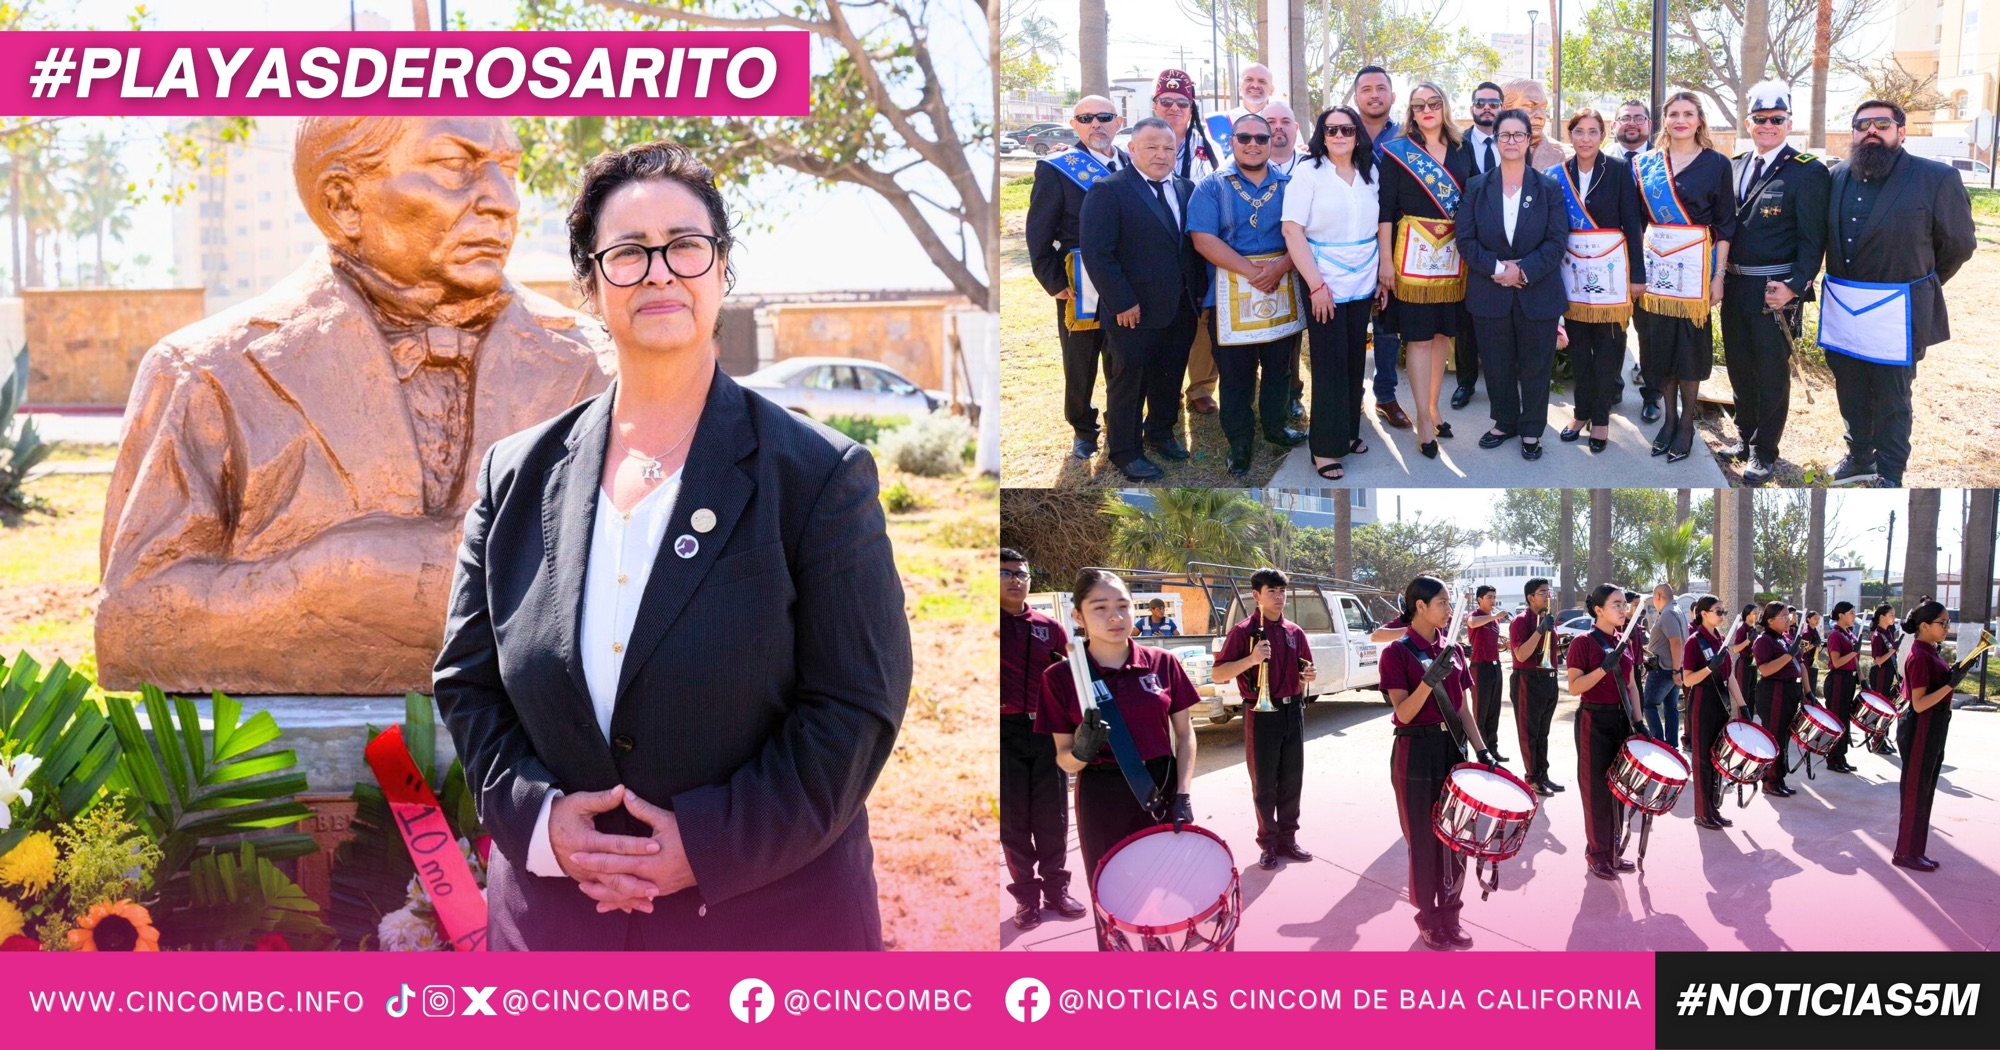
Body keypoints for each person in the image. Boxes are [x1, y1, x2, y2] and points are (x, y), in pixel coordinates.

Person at [433, 141, 911, 950]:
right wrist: (541, 822)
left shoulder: (817, 476)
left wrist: (712, 843)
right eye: (627, 253)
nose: (659, 273)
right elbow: (468, 683)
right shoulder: (512, 475)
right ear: (591, 284)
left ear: (722, 268)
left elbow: (856, 704)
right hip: (555, 934)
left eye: (685, 246)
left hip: (767, 933)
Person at [100, 116, 613, 695]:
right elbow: (131, 623)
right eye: (454, 165)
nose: (503, 200)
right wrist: (328, 583)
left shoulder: (601, 366)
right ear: (343, 202)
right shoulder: (204, 373)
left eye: (509, 170)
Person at [1820, 100, 1977, 487]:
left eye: (1882, 123)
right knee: (1850, 386)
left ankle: (1890, 473)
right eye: (1863, 125)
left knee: (1892, 396)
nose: (1872, 130)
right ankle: (1859, 457)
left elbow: (1958, 245)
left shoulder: (1935, 177)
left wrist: (1922, 284)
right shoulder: (1835, 176)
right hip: (1844, 305)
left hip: (1898, 309)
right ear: (1854, 132)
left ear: (1901, 132)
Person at [1039, 569, 1200, 939]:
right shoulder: (1060, 677)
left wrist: (1183, 794)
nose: (1114, 616)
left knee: (1169, 893)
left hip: (1161, 788)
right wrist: (1082, 751)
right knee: (1113, 898)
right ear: (1078, 616)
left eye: (1123, 606)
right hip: (1102, 795)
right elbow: (1063, 757)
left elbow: (1185, 735)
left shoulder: (1162, 663)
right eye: (1100, 608)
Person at [1379, 575, 1504, 951]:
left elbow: (1462, 708)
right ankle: (1429, 918)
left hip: (1453, 750)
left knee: (1456, 837)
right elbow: (1403, 713)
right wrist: (1427, 682)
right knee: (1423, 840)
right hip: (1415, 752)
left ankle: (1452, 914)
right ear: (1420, 606)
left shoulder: (1454, 650)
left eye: (1450, 603)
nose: (1450, 610)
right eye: (1443, 603)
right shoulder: (1397, 653)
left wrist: (1482, 751)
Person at [1080, 118, 1206, 482]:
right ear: (1132, 149)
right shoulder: (1108, 190)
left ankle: (1161, 431)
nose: (1161, 155)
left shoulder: (1186, 188)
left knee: (1170, 374)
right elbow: (1097, 253)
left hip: (1180, 306)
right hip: (1132, 310)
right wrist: (1121, 301)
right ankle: (1126, 450)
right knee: (1129, 381)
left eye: (1168, 148)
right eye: (1151, 147)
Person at [1719, 81, 1830, 486]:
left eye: (1776, 119)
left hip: (1775, 290)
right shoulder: (1734, 166)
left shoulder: (1807, 170)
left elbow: (1813, 239)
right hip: (1735, 286)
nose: (1768, 126)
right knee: (1738, 367)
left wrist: (1795, 286)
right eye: (1760, 119)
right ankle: (1745, 437)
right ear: (1748, 122)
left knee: (1769, 373)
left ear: (1789, 123)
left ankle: (1764, 451)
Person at [1190, 114, 1307, 476]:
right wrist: (1255, 272)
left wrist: (1280, 266)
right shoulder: (1211, 187)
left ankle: (1276, 426)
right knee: (1236, 374)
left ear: (1272, 142)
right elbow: (1202, 239)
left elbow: (1307, 233)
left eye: (1261, 138)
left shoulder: (1291, 185)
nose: (1253, 144)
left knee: (1279, 368)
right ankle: (1240, 442)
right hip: (1229, 293)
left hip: (1281, 287)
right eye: (1244, 137)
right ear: (1233, 141)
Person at [1457, 107, 1569, 459]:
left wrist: (1522, 271)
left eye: (1518, 135)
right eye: (1504, 135)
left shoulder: (1548, 188)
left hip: (1538, 292)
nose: (1511, 141)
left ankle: (1532, 429)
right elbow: (1465, 239)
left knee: (1536, 366)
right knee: (1496, 363)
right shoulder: (1477, 186)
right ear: (1495, 139)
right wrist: (1497, 268)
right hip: (1490, 292)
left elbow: (1557, 240)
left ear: (1527, 140)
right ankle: (1504, 421)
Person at [1026, 96, 1128, 462]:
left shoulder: (1131, 162)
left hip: (1125, 276)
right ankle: (1084, 429)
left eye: (1104, 116)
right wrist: (1053, 280)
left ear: (1118, 121)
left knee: (1123, 356)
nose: (1095, 124)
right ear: (1074, 125)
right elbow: (1038, 232)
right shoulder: (1057, 168)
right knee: (1080, 361)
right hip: (1079, 281)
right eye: (1086, 118)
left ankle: (1122, 424)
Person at [1635, 92, 1736, 462]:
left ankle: (1687, 423)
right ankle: (1669, 419)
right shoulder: (1646, 164)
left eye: (1688, 114)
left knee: (1689, 349)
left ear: (1699, 120)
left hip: (1696, 270)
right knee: (1660, 346)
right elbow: (1637, 221)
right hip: (1656, 268)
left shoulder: (1716, 163)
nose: (1680, 120)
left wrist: (1718, 276)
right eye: (1673, 113)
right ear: (1664, 120)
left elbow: (1725, 224)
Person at [1283, 105, 1382, 481]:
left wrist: (1381, 277)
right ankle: (1324, 447)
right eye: (1331, 130)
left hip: (1363, 277)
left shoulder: (1370, 172)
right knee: (1329, 363)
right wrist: (1316, 286)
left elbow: (1377, 225)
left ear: (1358, 134)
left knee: (1355, 360)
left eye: (1347, 129)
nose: (1339, 136)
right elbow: (1292, 230)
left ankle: (1348, 432)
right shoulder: (1308, 172)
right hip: (1323, 278)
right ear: (1321, 136)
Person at [1377, 82, 1473, 459]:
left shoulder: (1463, 149)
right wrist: (1386, 261)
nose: (1427, 110)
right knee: (1418, 338)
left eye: (1434, 102)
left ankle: (1434, 408)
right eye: (1419, 105)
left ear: (1444, 106)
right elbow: (1385, 210)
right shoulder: (1398, 152)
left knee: (1441, 336)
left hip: (1451, 258)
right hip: (1411, 258)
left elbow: (1472, 200)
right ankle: (1421, 416)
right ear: (1411, 113)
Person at [1552, 109, 1647, 453]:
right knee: (1579, 348)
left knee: (1609, 348)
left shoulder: (1619, 170)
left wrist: (1638, 275)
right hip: (1573, 272)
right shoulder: (1558, 174)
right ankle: (1581, 413)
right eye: (1579, 131)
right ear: (1570, 135)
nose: (1586, 138)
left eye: (1593, 131)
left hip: (1612, 274)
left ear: (1603, 136)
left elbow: (1632, 225)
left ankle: (1602, 417)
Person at [998, 550, 1084, 930]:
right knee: (1013, 819)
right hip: (1002, 732)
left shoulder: (1050, 628)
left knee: (1053, 815)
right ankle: (1026, 899)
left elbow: (1073, 674)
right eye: (1005, 573)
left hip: (1046, 730)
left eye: (1021, 573)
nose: (1015, 580)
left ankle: (1056, 891)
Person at [1212, 568, 1318, 870]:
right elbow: (1218, 674)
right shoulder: (1243, 631)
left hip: (1292, 710)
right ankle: (1268, 844)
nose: (1279, 596)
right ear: (1256, 595)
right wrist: (1252, 659)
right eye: (1271, 591)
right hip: (1260, 714)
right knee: (1264, 783)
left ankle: (1288, 839)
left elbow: (1306, 668)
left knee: (1292, 779)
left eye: (1282, 591)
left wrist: (1308, 675)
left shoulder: (1295, 632)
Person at [1152, 69, 1223, 417]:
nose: (1174, 108)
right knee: (1158, 317)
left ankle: (1200, 387)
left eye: (1182, 103)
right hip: (1153, 246)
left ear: (1191, 107)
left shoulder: (1208, 146)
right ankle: (1159, 387)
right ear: (1154, 104)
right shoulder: (1131, 143)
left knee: (1203, 314)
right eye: (1166, 101)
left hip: (1198, 243)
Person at [1566, 584, 1644, 880]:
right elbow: (1575, 687)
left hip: (1622, 719)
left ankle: (1613, 852)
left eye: (1624, 604)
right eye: (1616, 605)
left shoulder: (1625, 640)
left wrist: (1639, 722)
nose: (1623, 609)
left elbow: (1631, 684)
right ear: (1598, 610)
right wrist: (1602, 669)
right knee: (1596, 790)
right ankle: (1597, 854)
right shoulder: (1583, 642)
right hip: (1594, 720)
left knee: (1619, 789)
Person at [1353, 66, 1411, 432]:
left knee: (1387, 325)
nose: (1374, 94)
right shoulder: (1341, 131)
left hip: (1395, 242)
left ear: (1392, 95)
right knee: (1350, 324)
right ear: (1356, 96)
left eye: (1381, 88)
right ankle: (1349, 395)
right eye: (1366, 89)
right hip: (1350, 243)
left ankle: (1386, 395)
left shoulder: (1407, 136)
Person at [1892, 600, 1961, 872]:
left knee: (1925, 789)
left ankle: (1915, 851)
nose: (1947, 627)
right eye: (1942, 623)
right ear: (1924, 626)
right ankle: (1905, 852)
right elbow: (1919, 703)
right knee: (1915, 791)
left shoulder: (1930, 651)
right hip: (1922, 725)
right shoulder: (1920, 655)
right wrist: (1951, 684)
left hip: (1934, 725)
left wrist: (1953, 675)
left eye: (1947, 622)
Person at [1452, 81, 1507, 410]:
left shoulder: (1514, 140)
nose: (1487, 108)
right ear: (1472, 107)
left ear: (1502, 107)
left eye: (1494, 103)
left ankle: (1504, 379)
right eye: (1481, 102)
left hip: (1509, 239)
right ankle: (1466, 381)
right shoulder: (1456, 144)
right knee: (1467, 317)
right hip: (1469, 239)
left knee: (1504, 314)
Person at [1605, 99, 1662, 422]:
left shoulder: (1663, 162)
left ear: (1649, 125)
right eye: (1625, 118)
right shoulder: (1599, 160)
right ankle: (1612, 388)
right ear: (1614, 125)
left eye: (1639, 118)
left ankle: (1652, 394)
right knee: (1612, 330)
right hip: (1610, 260)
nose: (1632, 123)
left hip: (1654, 260)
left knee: (1650, 332)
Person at [1679, 595, 1742, 830]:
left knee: (1717, 758)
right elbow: (1687, 679)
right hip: (1702, 701)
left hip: (1720, 702)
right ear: (1703, 614)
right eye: (1718, 611)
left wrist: (1742, 705)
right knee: (1703, 760)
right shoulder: (1694, 642)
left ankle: (1713, 809)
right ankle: (1702, 813)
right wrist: (1708, 668)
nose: (1722, 615)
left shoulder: (1721, 640)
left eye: (1724, 611)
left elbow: (1729, 675)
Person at [1509, 577, 1563, 796]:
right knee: (1529, 732)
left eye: (1548, 592)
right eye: (1543, 592)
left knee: (1543, 732)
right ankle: (1532, 778)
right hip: (1528, 679)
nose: (1548, 596)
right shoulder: (1520, 621)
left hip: (1548, 678)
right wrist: (1540, 630)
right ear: (1530, 597)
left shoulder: (1547, 618)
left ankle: (1543, 775)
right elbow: (1521, 654)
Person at [1751, 602, 1804, 798]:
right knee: (1774, 736)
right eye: (1784, 616)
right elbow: (1765, 670)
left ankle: (1779, 779)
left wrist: (1807, 691)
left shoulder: (1785, 638)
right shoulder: (1764, 640)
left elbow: (1800, 664)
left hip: (1790, 690)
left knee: (1783, 737)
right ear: (1771, 620)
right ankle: (1770, 781)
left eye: (1788, 616)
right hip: (1774, 691)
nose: (1788, 619)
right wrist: (1789, 655)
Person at [1466, 586, 1511, 761]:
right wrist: (1494, 616)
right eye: (1489, 597)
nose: (1493, 601)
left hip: (1495, 667)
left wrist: (1502, 645)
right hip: (1480, 668)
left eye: (1494, 597)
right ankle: (1482, 752)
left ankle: (1493, 749)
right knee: (1481, 711)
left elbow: (1488, 642)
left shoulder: (1494, 621)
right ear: (1480, 599)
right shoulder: (1475, 615)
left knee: (1493, 711)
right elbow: (1472, 623)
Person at [1642, 585, 1686, 750]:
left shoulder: (1668, 613)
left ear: (1658, 596)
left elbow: (1676, 642)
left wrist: (1675, 670)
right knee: (1670, 707)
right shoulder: (1677, 610)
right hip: (1671, 668)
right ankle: (1671, 745)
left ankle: (1659, 744)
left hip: (1664, 669)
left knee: (1648, 705)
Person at [1822, 602, 1862, 773]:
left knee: (1844, 719)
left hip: (1849, 679)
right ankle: (1833, 759)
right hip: (1838, 679)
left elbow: (1855, 660)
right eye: (1851, 613)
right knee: (1837, 719)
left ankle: (1841, 757)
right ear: (1840, 615)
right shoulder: (1835, 635)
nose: (1854, 616)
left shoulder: (1848, 634)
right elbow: (1837, 662)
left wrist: (1862, 679)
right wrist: (1853, 652)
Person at [1501, 79, 1569, 170]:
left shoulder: (1565, 157)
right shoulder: (1487, 150)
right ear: (1504, 109)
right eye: (1529, 105)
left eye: (1543, 108)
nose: (1541, 115)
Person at [1869, 604, 1902, 755]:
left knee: (1888, 707)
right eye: (1891, 615)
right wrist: (1893, 650)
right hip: (1880, 673)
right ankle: (1876, 741)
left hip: (1889, 672)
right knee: (1881, 708)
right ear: (1882, 617)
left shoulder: (1888, 632)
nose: (1894, 618)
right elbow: (1878, 660)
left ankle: (1882, 739)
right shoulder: (1877, 636)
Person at [1800, 610, 1824, 701]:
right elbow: (1803, 650)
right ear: (1808, 619)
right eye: (1815, 618)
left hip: (1813, 662)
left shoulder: (1815, 631)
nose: (1817, 620)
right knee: (1807, 686)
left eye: (1818, 619)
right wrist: (1814, 644)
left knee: (1812, 685)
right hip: (1807, 662)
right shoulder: (1806, 633)